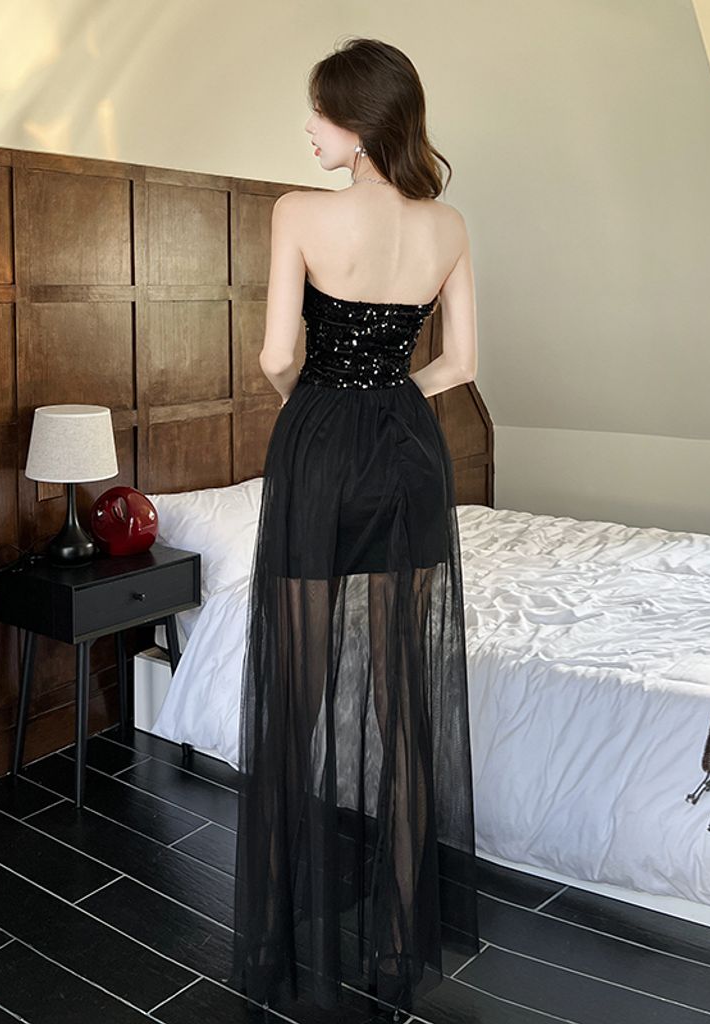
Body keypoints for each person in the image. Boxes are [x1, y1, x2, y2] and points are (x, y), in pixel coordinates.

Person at [228, 36, 480, 1020]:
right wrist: (389, 402)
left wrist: (323, 408)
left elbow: (273, 356)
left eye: (321, 113)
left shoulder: (298, 213)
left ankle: (278, 935)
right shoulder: (448, 224)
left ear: (362, 125)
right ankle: (400, 936)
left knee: (293, 689)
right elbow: (459, 364)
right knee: (403, 696)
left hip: (323, 448)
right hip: (409, 454)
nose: (309, 128)